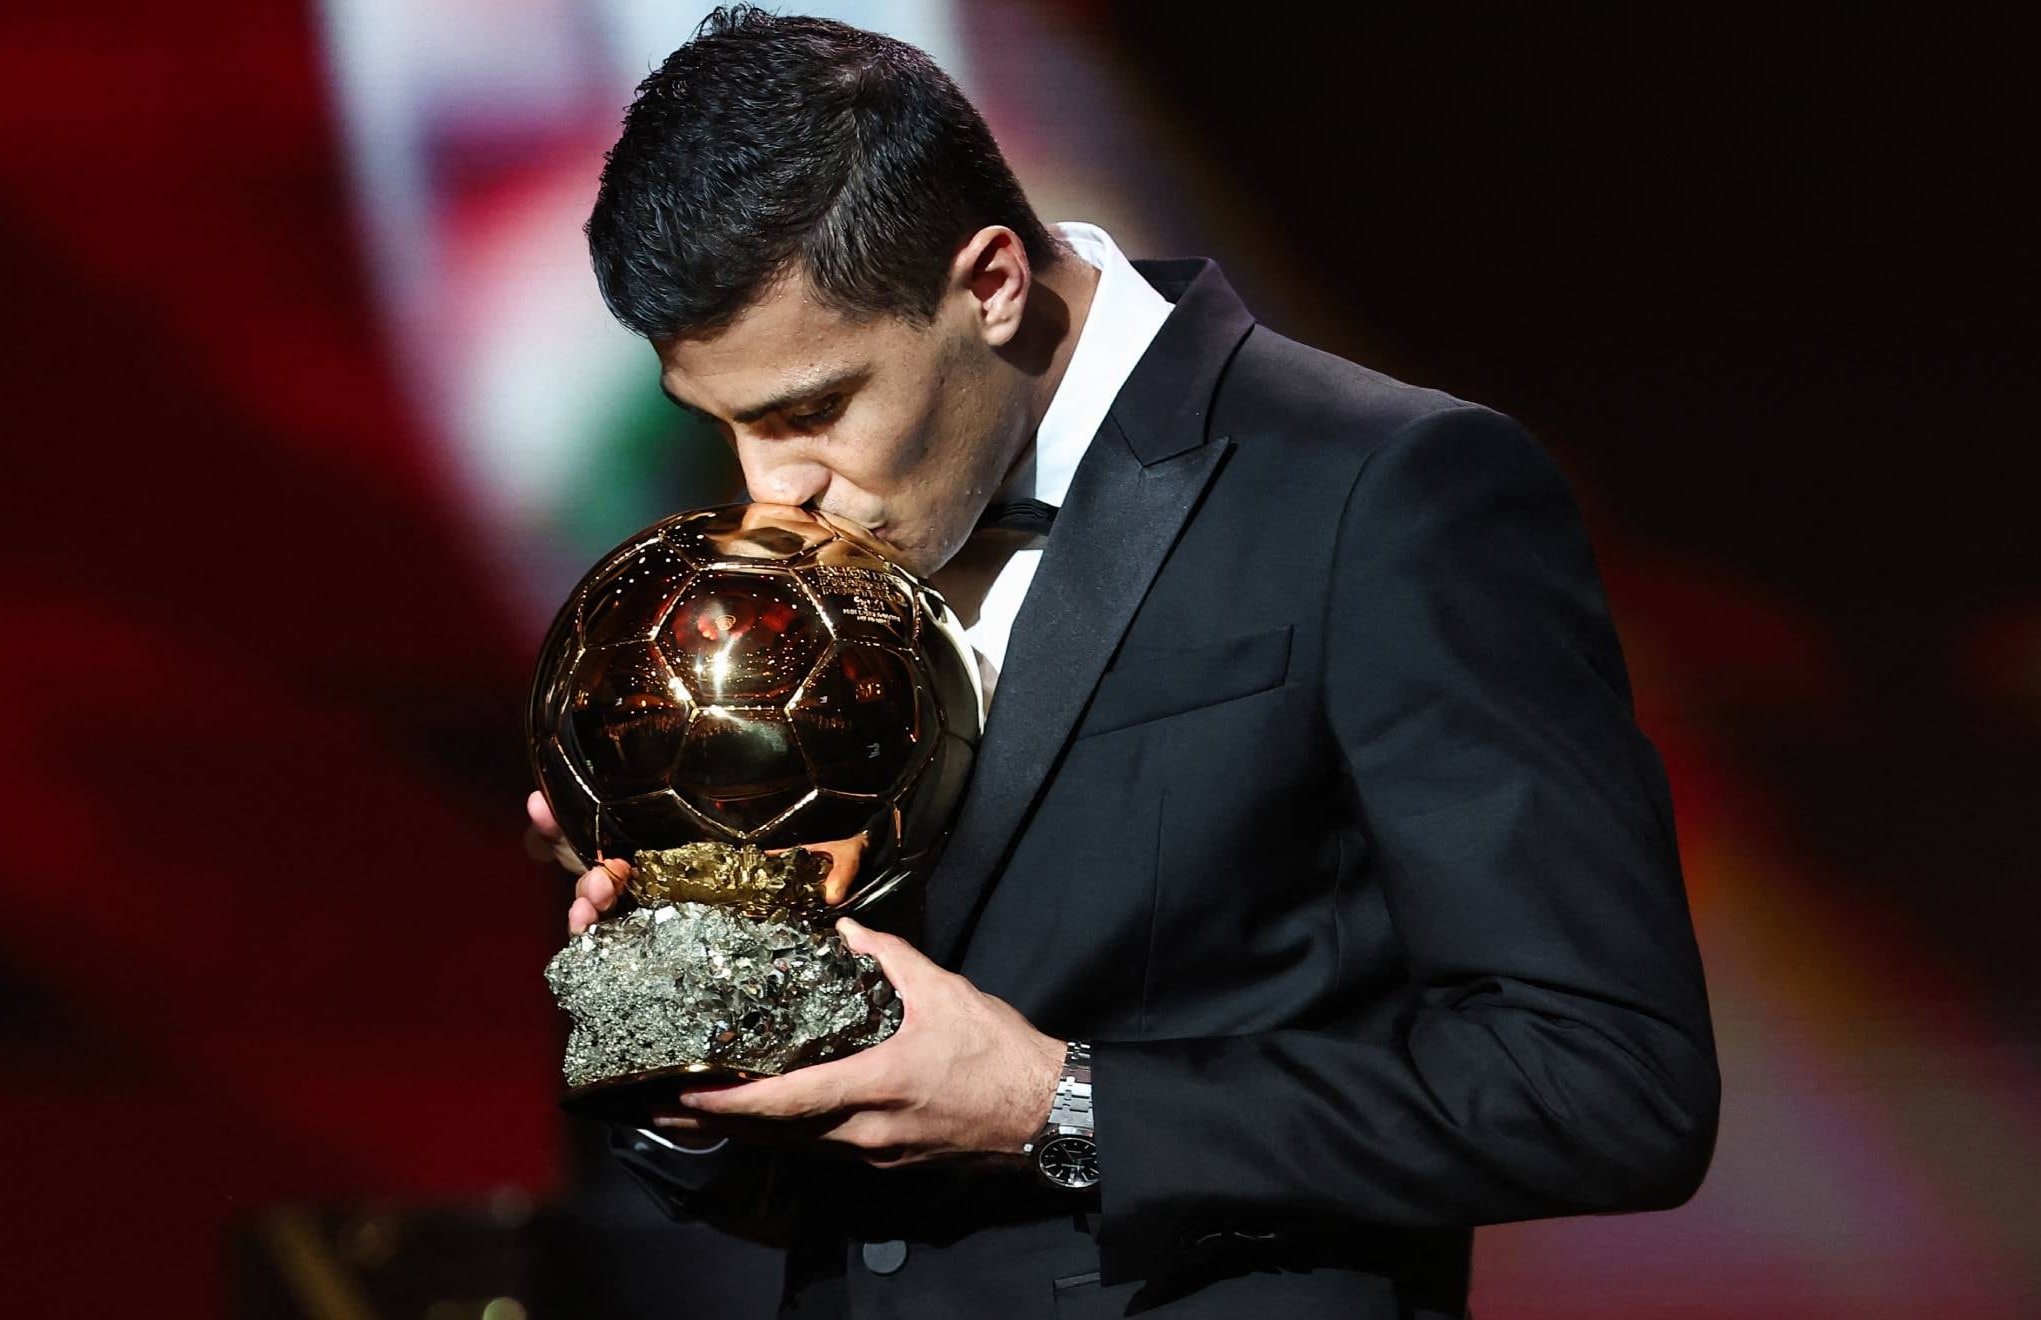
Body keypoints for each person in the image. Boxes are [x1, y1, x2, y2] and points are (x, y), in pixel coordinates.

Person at [526, 7, 1719, 1316]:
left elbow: (1610, 1086)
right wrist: (695, 1005)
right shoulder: (801, 580)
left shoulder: (1388, 492)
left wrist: (1061, 1106)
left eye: (810, 410)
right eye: (726, 427)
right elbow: (841, 1172)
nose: (775, 496)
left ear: (991, 283)